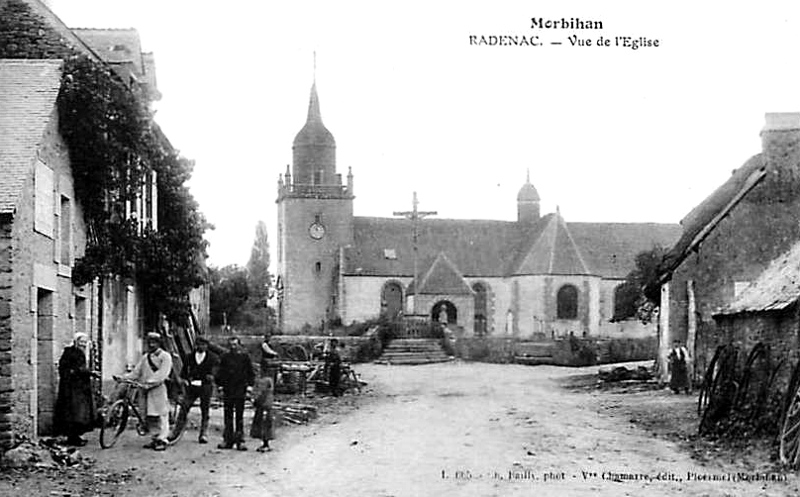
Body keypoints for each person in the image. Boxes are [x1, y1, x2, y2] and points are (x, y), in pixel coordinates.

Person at [126, 332, 173, 451]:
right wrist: (124, 377)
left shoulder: (165, 356)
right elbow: (137, 372)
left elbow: (163, 373)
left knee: (161, 414)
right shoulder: (146, 357)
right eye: (149, 342)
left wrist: (149, 382)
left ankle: (162, 439)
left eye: (154, 342)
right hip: (144, 389)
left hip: (157, 389)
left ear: (159, 343)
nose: (151, 345)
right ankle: (154, 438)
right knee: (148, 415)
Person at [54, 333, 97, 446]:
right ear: (75, 341)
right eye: (81, 342)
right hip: (71, 388)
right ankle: (73, 437)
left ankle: (76, 436)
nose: (83, 344)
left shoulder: (82, 353)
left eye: (84, 342)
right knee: (74, 412)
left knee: (81, 413)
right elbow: (66, 368)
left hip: (80, 387)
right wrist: (88, 372)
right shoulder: (70, 352)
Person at [215, 336, 255, 450]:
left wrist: (249, 388)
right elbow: (220, 373)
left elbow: (250, 373)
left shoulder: (244, 357)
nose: (233, 347)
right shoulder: (224, 357)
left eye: (235, 345)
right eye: (231, 345)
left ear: (239, 345)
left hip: (240, 390)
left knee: (239, 416)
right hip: (228, 390)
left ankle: (240, 441)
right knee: (227, 416)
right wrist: (220, 387)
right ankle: (227, 440)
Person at [177, 336, 219, 444]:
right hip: (192, 386)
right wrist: (184, 379)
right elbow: (184, 372)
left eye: (204, 345)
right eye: (199, 344)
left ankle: (203, 433)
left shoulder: (212, 358)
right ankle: (176, 431)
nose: (202, 347)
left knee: (205, 409)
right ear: (196, 345)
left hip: (205, 386)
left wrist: (212, 377)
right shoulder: (189, 357)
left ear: (207, 346)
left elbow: (216, 372)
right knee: (184, 407)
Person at [250, 374, 275, 453]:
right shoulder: (268, 383)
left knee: (264, 425)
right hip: (264, 407)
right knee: (263, 425)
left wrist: (255, 401)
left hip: (264, 407)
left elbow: (261, 394)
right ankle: (264, 443)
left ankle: (265, 443)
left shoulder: (264, 384)